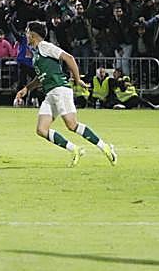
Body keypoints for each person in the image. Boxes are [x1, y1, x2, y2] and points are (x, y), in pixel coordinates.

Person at [14, 20, 117, 166]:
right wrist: (27, 89)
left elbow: (69, 58)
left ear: (32, 34)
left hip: (60, 90)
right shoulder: (37, 52)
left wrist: (77, 79)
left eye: (27, 32)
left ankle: (105, 147)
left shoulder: (45, 46)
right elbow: (41, 76)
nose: (25, 35)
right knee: (42, 129)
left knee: (72, 124)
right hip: (51, 94)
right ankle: (75, 149)